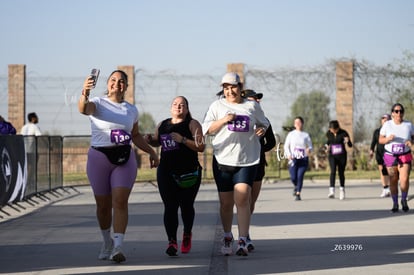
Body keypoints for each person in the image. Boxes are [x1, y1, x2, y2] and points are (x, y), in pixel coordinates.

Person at [78, 70, 159, 263]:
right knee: (103, 206)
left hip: (124, 159)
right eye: (113, 80)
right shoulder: (97, 103)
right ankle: (106, 242)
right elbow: (83, 109)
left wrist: (152, 152)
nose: (117, 83)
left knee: (120, 201)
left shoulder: (131, 110)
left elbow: (136, 135)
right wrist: (85, 92)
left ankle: (118, 246)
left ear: (126, 86)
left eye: (121, 81)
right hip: (99, 157)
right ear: (107, 84)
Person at [202, 72, 269, 256]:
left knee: (242, 197)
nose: (230, 91)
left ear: (240, 87)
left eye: (233, 87)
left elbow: (264, 123)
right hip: (223, 160)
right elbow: (206, 129)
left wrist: (261, 129)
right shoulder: (217, 106)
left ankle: (243, 239)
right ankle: (227, 235)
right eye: (226, 88)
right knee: (225, 203)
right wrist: (224, 120)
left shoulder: (252, 106)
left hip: (247, 159)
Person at [144, 96, 205, 256]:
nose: (178, 107)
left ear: (187, 109)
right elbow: (158, 141)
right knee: (170, 207)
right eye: (175, 104)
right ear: (171, 108)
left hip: (189, 173)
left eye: (182, 105)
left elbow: (201, 146)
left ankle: (187, 234)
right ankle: (172, 241)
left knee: (186, 206)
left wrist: (183, 139)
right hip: (166, 171)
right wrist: (151, 140)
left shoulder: (192, 124)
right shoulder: (163, 124)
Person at [241, 89, 276, 252]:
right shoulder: (239, 119)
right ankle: (243, 236)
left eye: (258, 99)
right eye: (253, 99)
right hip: (240, 162)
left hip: (258, 163)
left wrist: (258, 146)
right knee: (243, 200)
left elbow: (272, 143)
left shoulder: (264, 120)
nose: (257, 101)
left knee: (251, 201)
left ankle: (245, 232)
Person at [379, 103, 414, 213]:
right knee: (393, 180)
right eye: (396, 111)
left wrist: (411, 144)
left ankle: (404, 199)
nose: (399, 113)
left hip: (405, 154)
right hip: (390, 155)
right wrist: (387, 139)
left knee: (404, 179)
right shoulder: (387, 125)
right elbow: (380, 140)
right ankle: (395, 203)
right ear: (392, 113)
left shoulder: (409, 125)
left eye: (401, 111)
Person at [284, 116, 313, 201]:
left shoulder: (306, 135)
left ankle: (298, 193)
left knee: (300, 176)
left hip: (303, 158)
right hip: (293, 159)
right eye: (296, 123)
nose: (297, 124)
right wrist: (288, 154)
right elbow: (286, 146)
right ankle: (296, 186)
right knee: (293, 177)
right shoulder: (291, 134)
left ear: (302, 124)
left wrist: (309, 149)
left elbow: (311, 146)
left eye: (299, 122)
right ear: (294, 124)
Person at [325, 120, 352, 200]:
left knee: (341, 172)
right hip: (332, 155)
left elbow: (350, 145)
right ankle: (331, 190)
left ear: (337, 128)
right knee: (333, 171)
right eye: (330, 129)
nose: (331, 131)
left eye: (333, 129)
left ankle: (342, 190)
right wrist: (326, 147)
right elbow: (328, 142)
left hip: (342, 155)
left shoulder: (343, 133)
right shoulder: (328, 133)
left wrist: (348, 141)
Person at [369, 114, 391, 198]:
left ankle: (389, 187)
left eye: (387, 119)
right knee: (382, 170)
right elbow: (373, 142)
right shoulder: (377, 131)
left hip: (389, 153)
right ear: (381, 121)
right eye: (383, 119)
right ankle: (385, 188)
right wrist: (371, 150)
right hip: (379, 153)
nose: (385, 120)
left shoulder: (391, 131)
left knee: (389, 171)